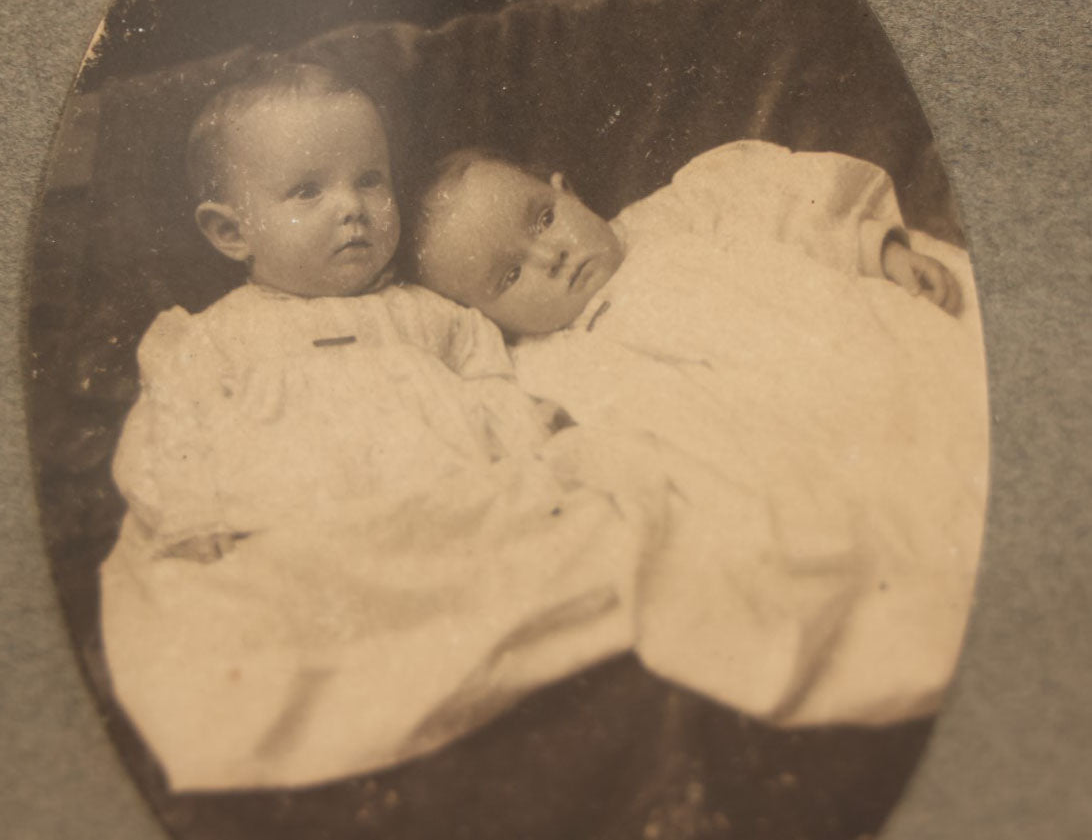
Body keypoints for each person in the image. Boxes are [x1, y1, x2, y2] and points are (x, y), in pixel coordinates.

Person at [99, 61, 663, 791]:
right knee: (237, 617)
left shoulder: (434, 314)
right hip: (294, 522)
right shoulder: (208, 340)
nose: (353, 208)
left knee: (567, 535)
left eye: (370, 179)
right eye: (308, 190)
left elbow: (495, 385)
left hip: (436, 504)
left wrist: (530, 436)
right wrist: (192, 516)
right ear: (230, 230)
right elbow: (166, 431)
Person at [409, 140, 989, 728]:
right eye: (510, 274)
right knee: (846, 542)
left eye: (543, 216)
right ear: (490, 319)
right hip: (767, 451)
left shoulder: (677, 215)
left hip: (841, 355)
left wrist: (876, 251)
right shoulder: (538, 366)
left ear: (568, 190)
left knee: (945, 407)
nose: (551, 254)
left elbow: (786, 206)